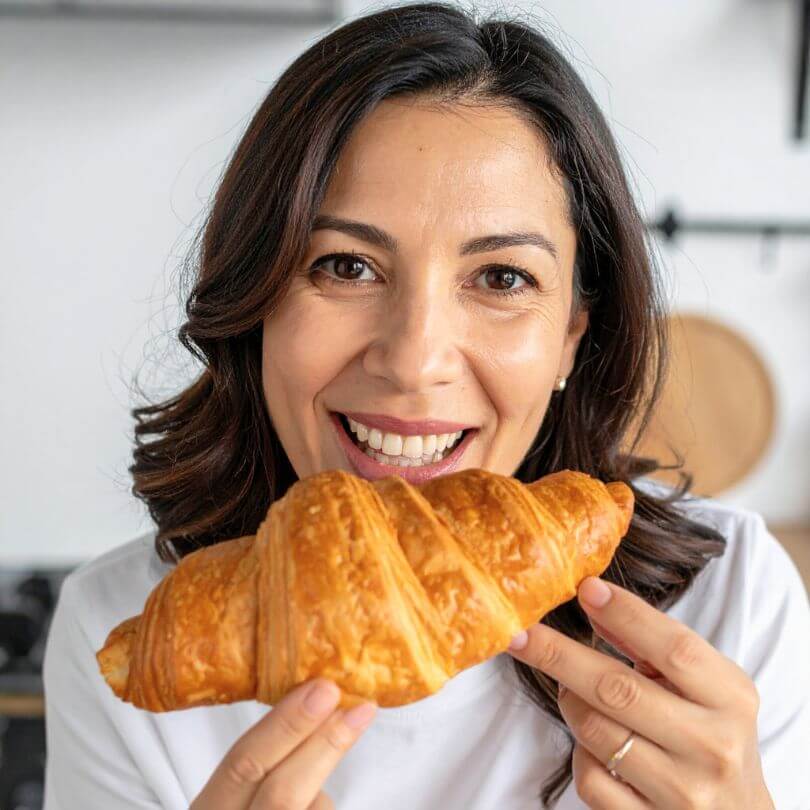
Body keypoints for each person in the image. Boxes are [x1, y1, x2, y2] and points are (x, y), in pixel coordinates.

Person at [42, 2, 810, 809]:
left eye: (502, 278)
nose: (414, 362)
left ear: (570, 339)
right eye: (345, 266)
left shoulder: (732, 603)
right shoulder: (122, 632)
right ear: (255, 302)